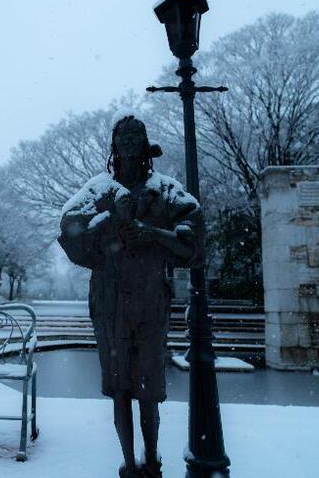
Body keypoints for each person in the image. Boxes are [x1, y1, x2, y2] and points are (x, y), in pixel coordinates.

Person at [58, 110, 202, 478]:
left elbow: (193, 239)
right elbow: (70, 230)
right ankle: (128, 461)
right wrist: (110, 217)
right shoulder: (99, 189)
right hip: (109, 304)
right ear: (114, 145)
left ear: (144, 143)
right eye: (123, 137)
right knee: (119, 384)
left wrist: (154, 234)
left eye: (136, 136)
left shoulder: (166, 189)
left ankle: (151, 460)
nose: (129, 143)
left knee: (149, 386)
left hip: (151, 300)